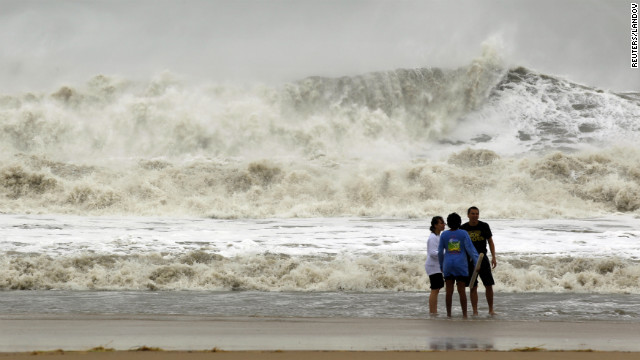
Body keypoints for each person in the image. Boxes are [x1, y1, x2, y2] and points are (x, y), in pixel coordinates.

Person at [438, 212, 479, 318]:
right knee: (461, 291)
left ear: (448, 223)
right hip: (461, 265)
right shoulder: (463, 233)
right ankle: (464, 314)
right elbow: (470, 249)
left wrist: (441, 265)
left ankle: (449, 314)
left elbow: (439, 252)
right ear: (459, 222)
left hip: (448, 264)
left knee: (449, 291)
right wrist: (476, 262)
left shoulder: (444, 235)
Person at [461, 206, 497, 316]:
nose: (475, 216)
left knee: (488, 285)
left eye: (477, 214)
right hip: (470, 260)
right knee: (473, 286)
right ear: (468, 215)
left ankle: (491, 309)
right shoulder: (463, 228)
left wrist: (493, 257)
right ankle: (475, 311)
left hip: (482, 258)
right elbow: (461, 246)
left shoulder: (484, 226)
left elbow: (490, 242)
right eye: (472, 213)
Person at [425, 216, 445, 315]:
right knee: (435, 289)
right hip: (432, 266)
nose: (444, 224)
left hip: (437, 266)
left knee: (437, 288)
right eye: (441, 223)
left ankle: (433, 311)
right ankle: (432, 311)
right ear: (435, 225)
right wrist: (446, 254)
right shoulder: (433, 237)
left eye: (443, 223)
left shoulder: (438, 236)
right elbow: (433, 253)